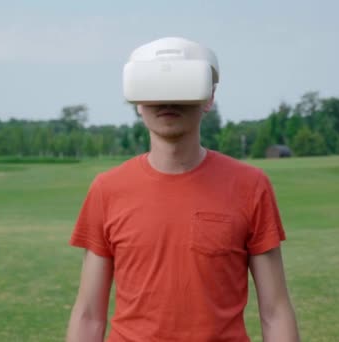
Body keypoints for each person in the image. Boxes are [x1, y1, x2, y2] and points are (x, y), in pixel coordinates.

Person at [66, 37, 299, 342]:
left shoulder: (250, 186)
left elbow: (275, 310)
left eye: (182, 86)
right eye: (154, 88)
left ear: (209, 97)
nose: (167, 101)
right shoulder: (106, 189)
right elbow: (88, 315)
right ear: (137, 100)